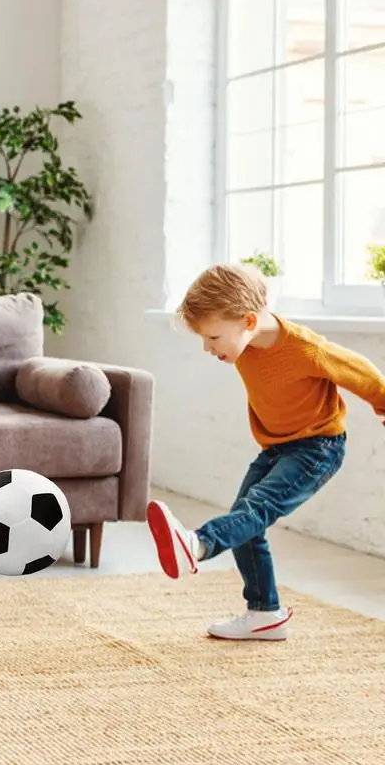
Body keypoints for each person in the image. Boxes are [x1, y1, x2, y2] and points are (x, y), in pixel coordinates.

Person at [146, 262, 385, 641]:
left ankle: (198, 544)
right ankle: (265, 612)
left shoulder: (305, 348)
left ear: (249, 321)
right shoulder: (243, 341)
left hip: (317, 448)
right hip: (276, 447)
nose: (208, 348)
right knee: (246, 522)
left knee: (254, 510)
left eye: (213, 338)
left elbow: (363, 373)